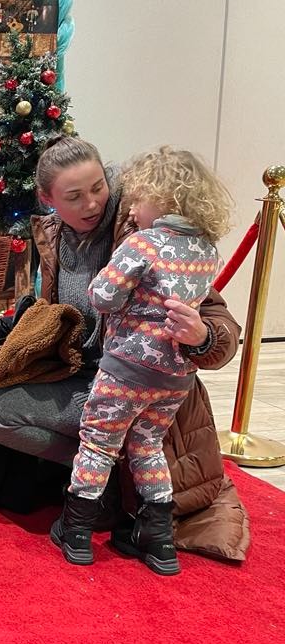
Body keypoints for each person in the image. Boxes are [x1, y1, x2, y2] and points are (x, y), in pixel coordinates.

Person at [0, 137, 249, 561]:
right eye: (74, 196)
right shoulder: (52, 237)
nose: (91, 203)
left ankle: (100, 489)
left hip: (141, 385)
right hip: (87, 379)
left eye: (98, 187)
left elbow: (219, 324)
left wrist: (203, 335)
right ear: (48, 200)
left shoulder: (142, 229)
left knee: (110, 438)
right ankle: (112, 478)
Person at [50, 147, 232, 575]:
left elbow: (102, 297)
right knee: (148, 446)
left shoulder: (143, 242)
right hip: (175, 378)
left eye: (139, 200)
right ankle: (159, 539)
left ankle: (77, 531)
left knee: (98, 444)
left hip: (126, 370)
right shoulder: (206, 250)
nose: (131, 209)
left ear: (165, 200)